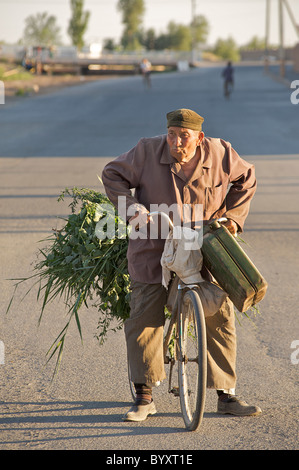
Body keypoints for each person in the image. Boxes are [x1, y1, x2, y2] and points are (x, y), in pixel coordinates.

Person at [102, 108, 262, 422]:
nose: (177, 142)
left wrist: (231, 216)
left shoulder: (220, 153)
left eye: (184, 136)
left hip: (206, 249)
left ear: (199, 137)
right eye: (172, 135)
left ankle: (225, 395)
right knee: (144, 316)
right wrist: (133, 209)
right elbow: (112, 174)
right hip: (153, 247)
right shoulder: (148, 150)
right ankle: (144, 396)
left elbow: (247, 178)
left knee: (218, 313)